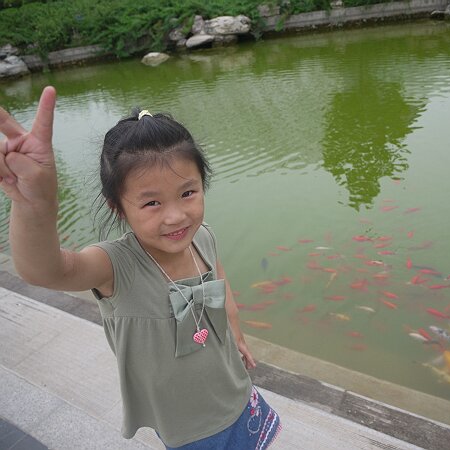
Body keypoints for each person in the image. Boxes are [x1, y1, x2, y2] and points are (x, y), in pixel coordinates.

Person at [0, 87, 282, 449]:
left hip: (236, 393)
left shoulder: (204, 238)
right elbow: (48, 270)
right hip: (189, 426)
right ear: (118, 207)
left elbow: (223, 290)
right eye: (151, 202)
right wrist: (36, 204)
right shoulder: (116, 266)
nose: (176, 216)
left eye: (188, 193)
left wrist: (237, 335)